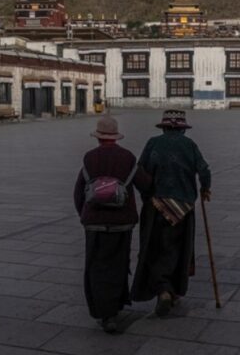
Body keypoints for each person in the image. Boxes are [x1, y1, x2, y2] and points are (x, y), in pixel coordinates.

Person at [131, 109, 211, 316]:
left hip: (156, 206)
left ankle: (162, 289)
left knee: (155, 248)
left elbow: (140, 171)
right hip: (183, 208)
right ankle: (172, 289)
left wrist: (146, 195)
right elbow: (204, 170)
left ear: (165, 127)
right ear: (182, 129)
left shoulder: (153, 143)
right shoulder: (189, 145)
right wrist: (204, 189)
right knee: (179, 249)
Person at [74, 116, 150, 333]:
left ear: (98, 137)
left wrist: (85, 215)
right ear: (115, 137)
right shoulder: (127, 157)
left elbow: (78, 192)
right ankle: (114, 310)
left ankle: (102, 311)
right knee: (117, 265)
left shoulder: (89, 158)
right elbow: (144, 184)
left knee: (96, 266)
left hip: (94, 224)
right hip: (121, 223)